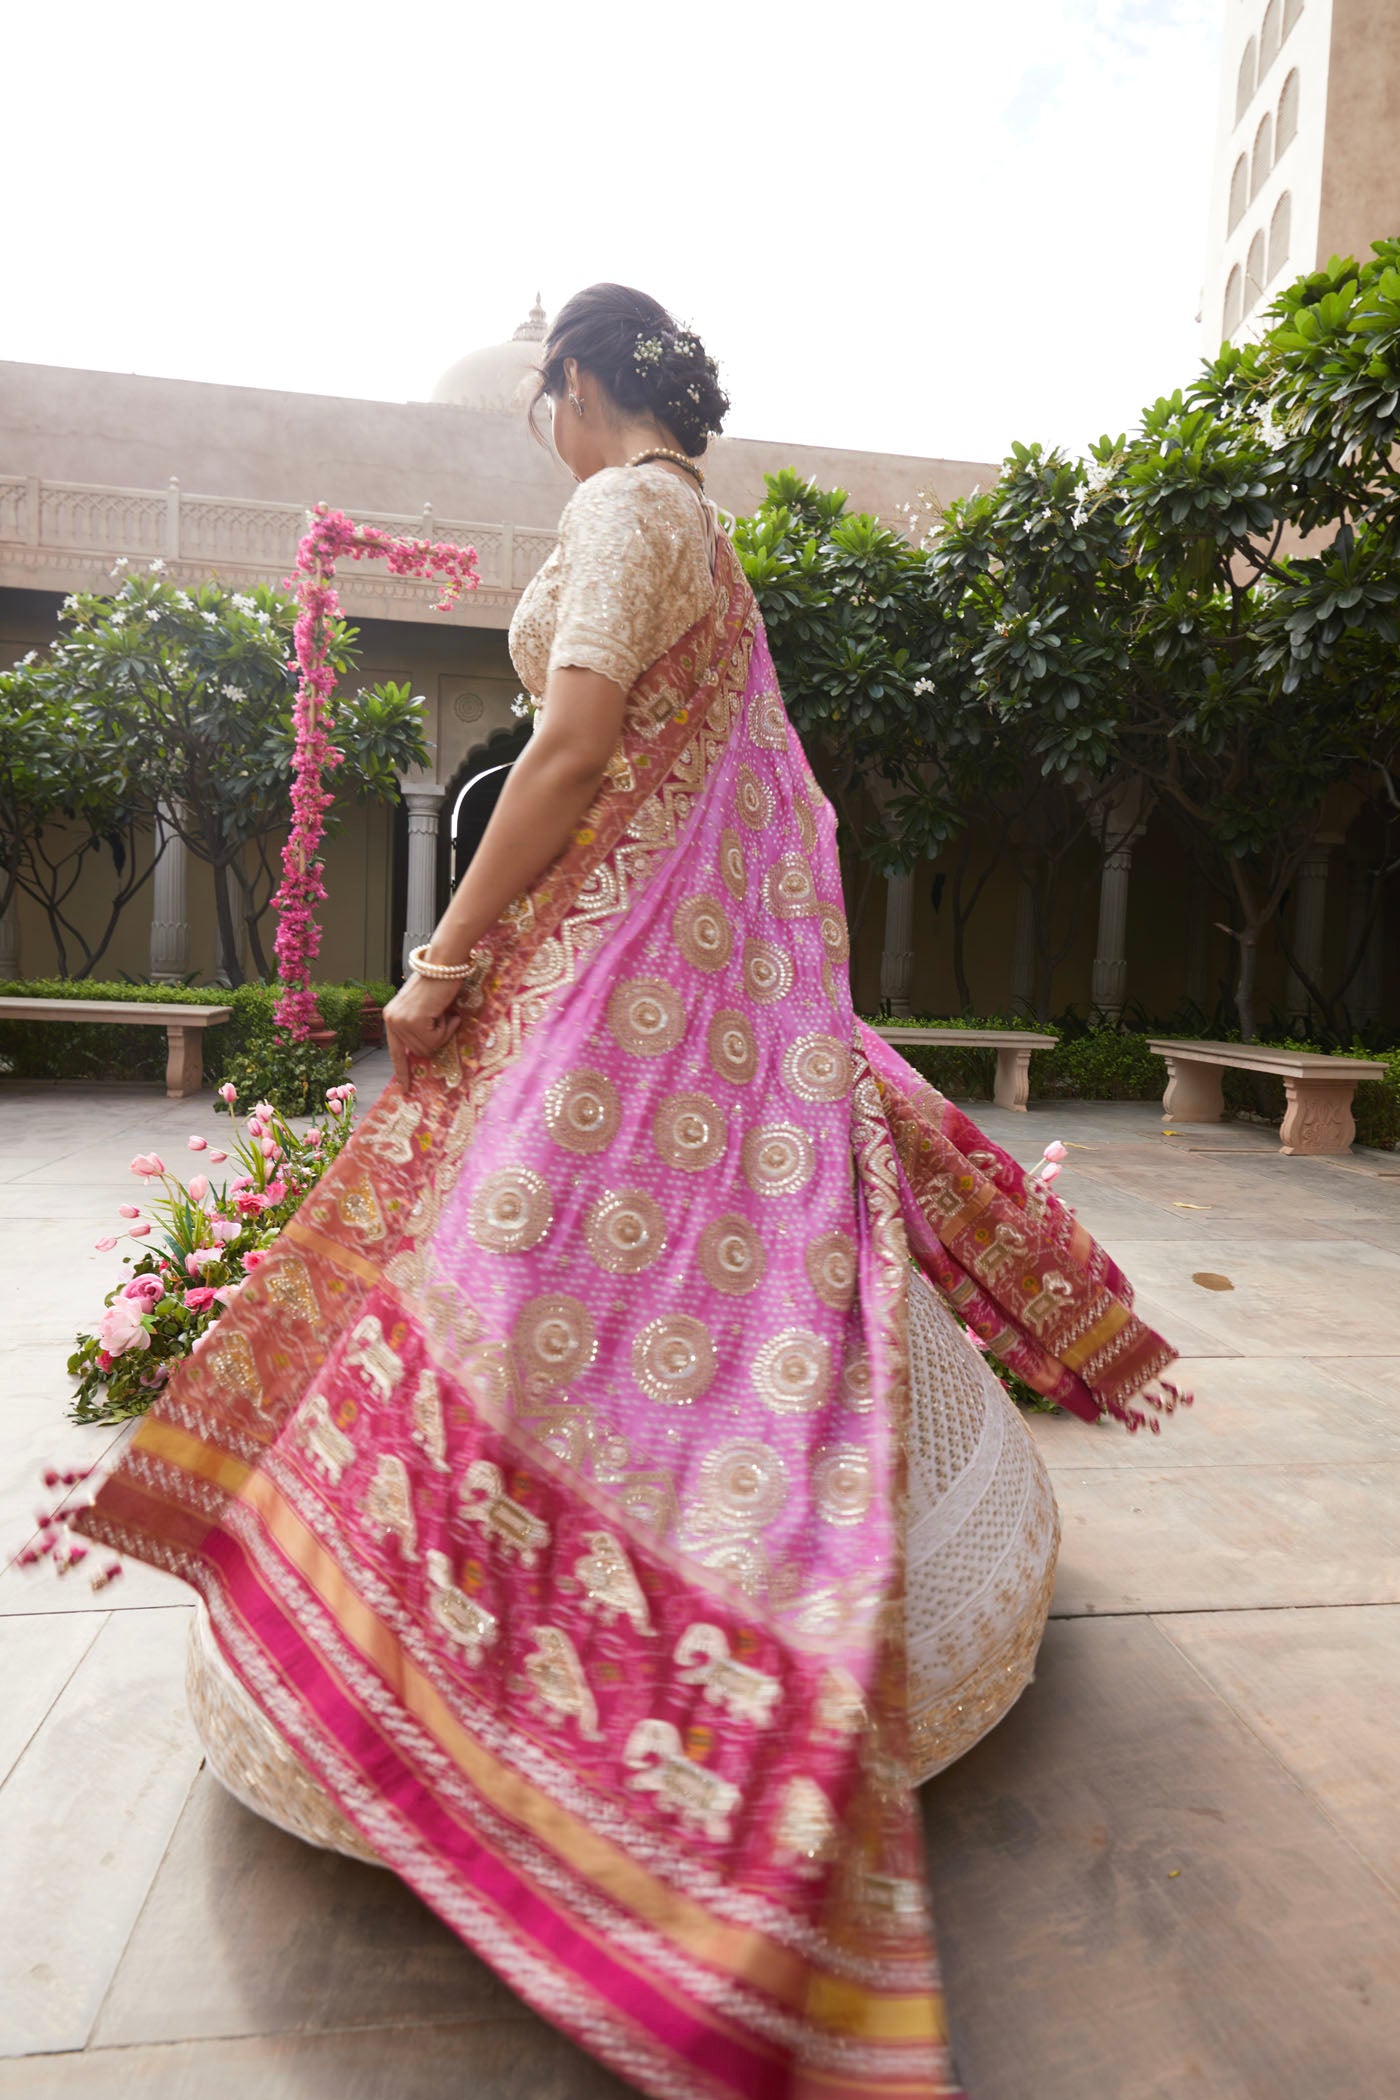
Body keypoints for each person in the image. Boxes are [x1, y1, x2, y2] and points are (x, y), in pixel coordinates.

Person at [77, 284, 1186, 2100]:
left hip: (622, 984)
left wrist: (442, 956)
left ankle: (504, 1700)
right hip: (687, 976)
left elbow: (575, 743)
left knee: (527, 1292)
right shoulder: (709, 543)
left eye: (546, 398)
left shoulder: (623, 512)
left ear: (577, 382)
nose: (546, 428)